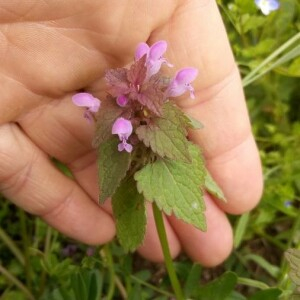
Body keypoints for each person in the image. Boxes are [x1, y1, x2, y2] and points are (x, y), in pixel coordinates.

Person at [0, 0, 263, 267]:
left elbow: (160, 112)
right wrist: (108, 120)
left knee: (179, 162)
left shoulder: (153, 90)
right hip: (128, 132)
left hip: (150, 125)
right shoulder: (116, 110)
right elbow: (115, 113)